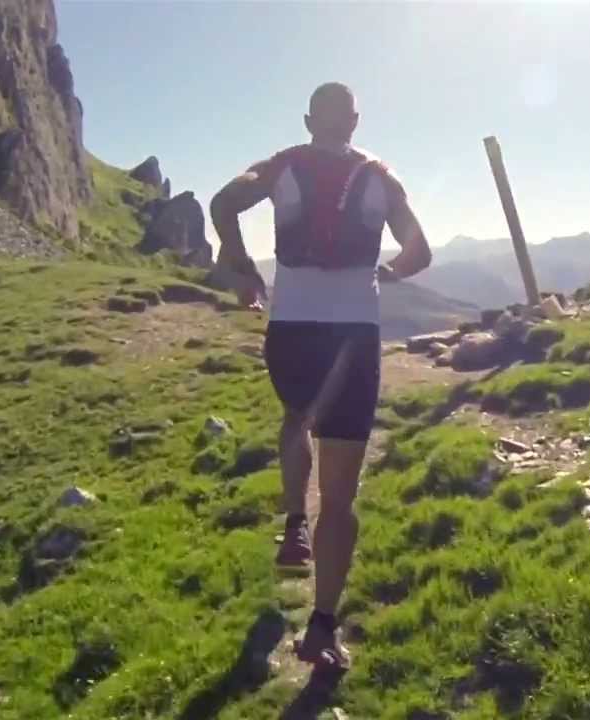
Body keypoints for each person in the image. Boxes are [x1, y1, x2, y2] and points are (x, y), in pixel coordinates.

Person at [208, 82, 432, 670]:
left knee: (295, 417)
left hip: (292, 329)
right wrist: (392, 271)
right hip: (353, 335)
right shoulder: (382, 178)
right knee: (342, 492)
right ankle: (322, 628)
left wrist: (242, 266)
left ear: (309, 120)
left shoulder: (281, 166)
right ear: (355, 122)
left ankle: (291, 526)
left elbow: (223, 202)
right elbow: (419, 249)